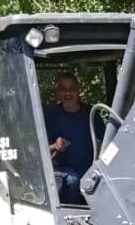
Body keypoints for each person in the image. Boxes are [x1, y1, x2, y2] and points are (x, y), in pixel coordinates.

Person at [43, 72, 102, 204]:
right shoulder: (50, 116)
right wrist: (55, 146)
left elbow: (109, 141)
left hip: (90, 168)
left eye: (72, 88)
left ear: (78, 90)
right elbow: (39, 150)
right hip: (62, 170)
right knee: (73, 179)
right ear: (57, 92)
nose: (68, 92)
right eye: (63, 89)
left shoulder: (91, 113)